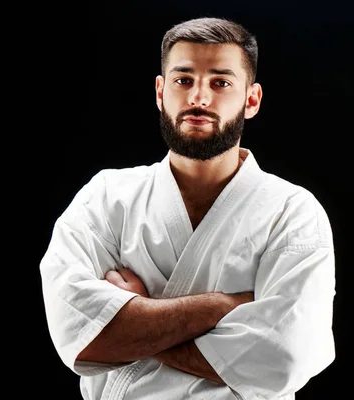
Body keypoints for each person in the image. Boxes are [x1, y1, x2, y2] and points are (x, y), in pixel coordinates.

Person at [40, 16, 336, 400]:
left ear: (251, 99)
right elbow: (75, 332)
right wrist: (221, 307)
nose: (199, 97)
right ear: (161, 92)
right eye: (184, 80)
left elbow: (284, 357)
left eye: (220, 82)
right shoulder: (107, 197)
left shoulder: (292, 213)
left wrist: (134, 321)